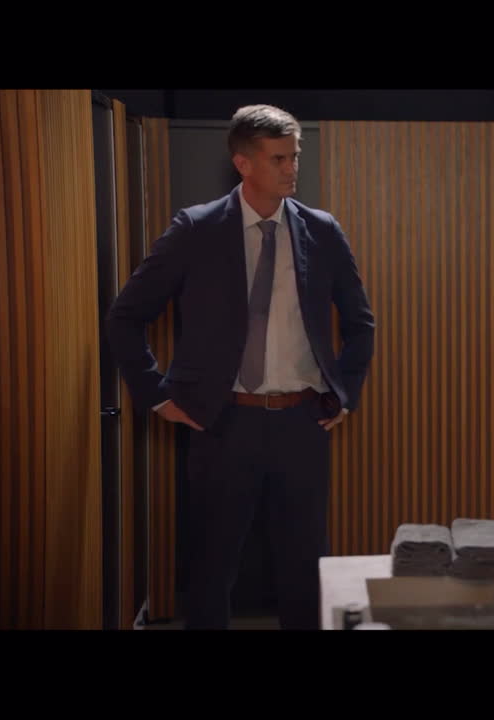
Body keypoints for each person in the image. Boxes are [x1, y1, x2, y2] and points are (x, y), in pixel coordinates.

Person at [105, 104, 376, 630]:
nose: (292, 168)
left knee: (305, 567)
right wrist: (157, 395)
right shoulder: (197, 228)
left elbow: (360, 322)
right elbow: (125, 316)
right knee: (211, 567)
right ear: (243, 163)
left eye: (295, 156)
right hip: (222, 421)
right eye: (278, 159)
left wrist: (345, 393)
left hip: (302, 422)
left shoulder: (321, 231)